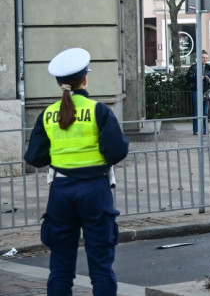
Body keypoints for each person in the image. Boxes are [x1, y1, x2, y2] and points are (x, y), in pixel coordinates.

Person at [23, 47, 129, 296]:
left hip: (60, 192)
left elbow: (35, 157)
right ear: (85, 79)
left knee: (60, 268)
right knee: (101, 268)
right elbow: (117, 151)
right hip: (95, 190)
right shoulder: (98, 110)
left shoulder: (48, 114)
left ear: (59, 83)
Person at [185, 50, 210, 135]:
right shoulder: (194, 67)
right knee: (197, 110)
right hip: (196, 90)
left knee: (205, 111)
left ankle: (204, 129)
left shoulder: (209, 68)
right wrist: (197, 77)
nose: (205, 60)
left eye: (206, 58)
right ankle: (196, 129)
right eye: (203, 58)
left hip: (206, 91)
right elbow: (188, 77)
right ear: (199, 58)